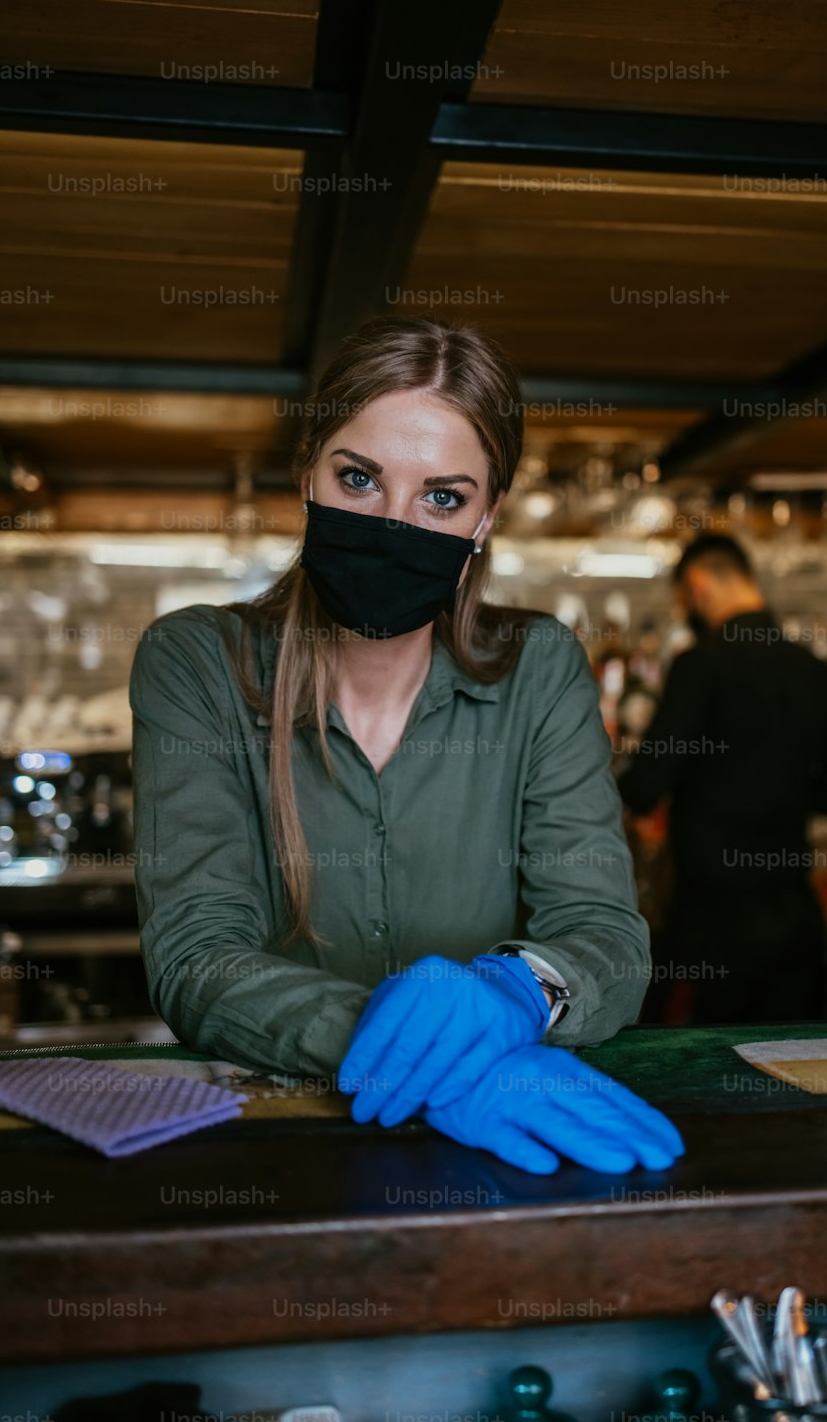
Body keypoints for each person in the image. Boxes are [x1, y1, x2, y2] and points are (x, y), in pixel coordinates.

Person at [130, 316, 683, 1176]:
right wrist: (443, 1062)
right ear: (307, 473)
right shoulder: (196, 660)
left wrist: (518, 993)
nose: (394, 521)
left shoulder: (538, 670)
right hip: (280, 1164)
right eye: (359, 479)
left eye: (443, 497)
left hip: (504, 1158)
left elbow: (603, 931)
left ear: (486, 518)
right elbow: (197, 959)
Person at [617, 532, 827, 1025]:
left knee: (694, 1079)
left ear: (699, 584)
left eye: (684, 600)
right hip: (795, 920)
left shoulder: (700, 667)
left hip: (708, 927)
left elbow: (645, 788)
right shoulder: (818, 674)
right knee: (792, 1079)